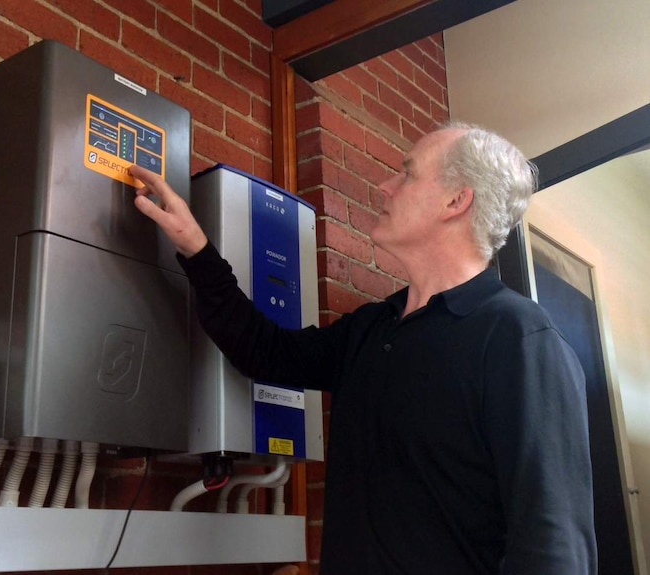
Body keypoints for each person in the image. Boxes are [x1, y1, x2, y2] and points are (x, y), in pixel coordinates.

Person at [129, 122, 597, 574]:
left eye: (408, 173)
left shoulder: (518, 340)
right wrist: (195, 247)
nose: (386, 186)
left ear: (457, 201)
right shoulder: (376, 328)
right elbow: (264, 352)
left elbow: (553, 542)